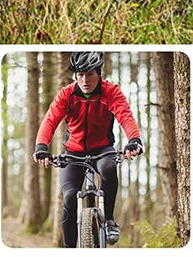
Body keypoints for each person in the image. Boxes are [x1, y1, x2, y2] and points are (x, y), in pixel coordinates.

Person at [33, 52, 143, 247]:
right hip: (73, 152)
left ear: (98, 73)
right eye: (80, 74)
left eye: (90, 74)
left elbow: (125, 116)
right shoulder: (67, 94)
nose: (84, 80)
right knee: (69, 197)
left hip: (102, 150)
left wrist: (134, 140)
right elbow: (50, 120)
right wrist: (41, 146)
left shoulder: (111, 92)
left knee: (109, 169)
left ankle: (108, 220)